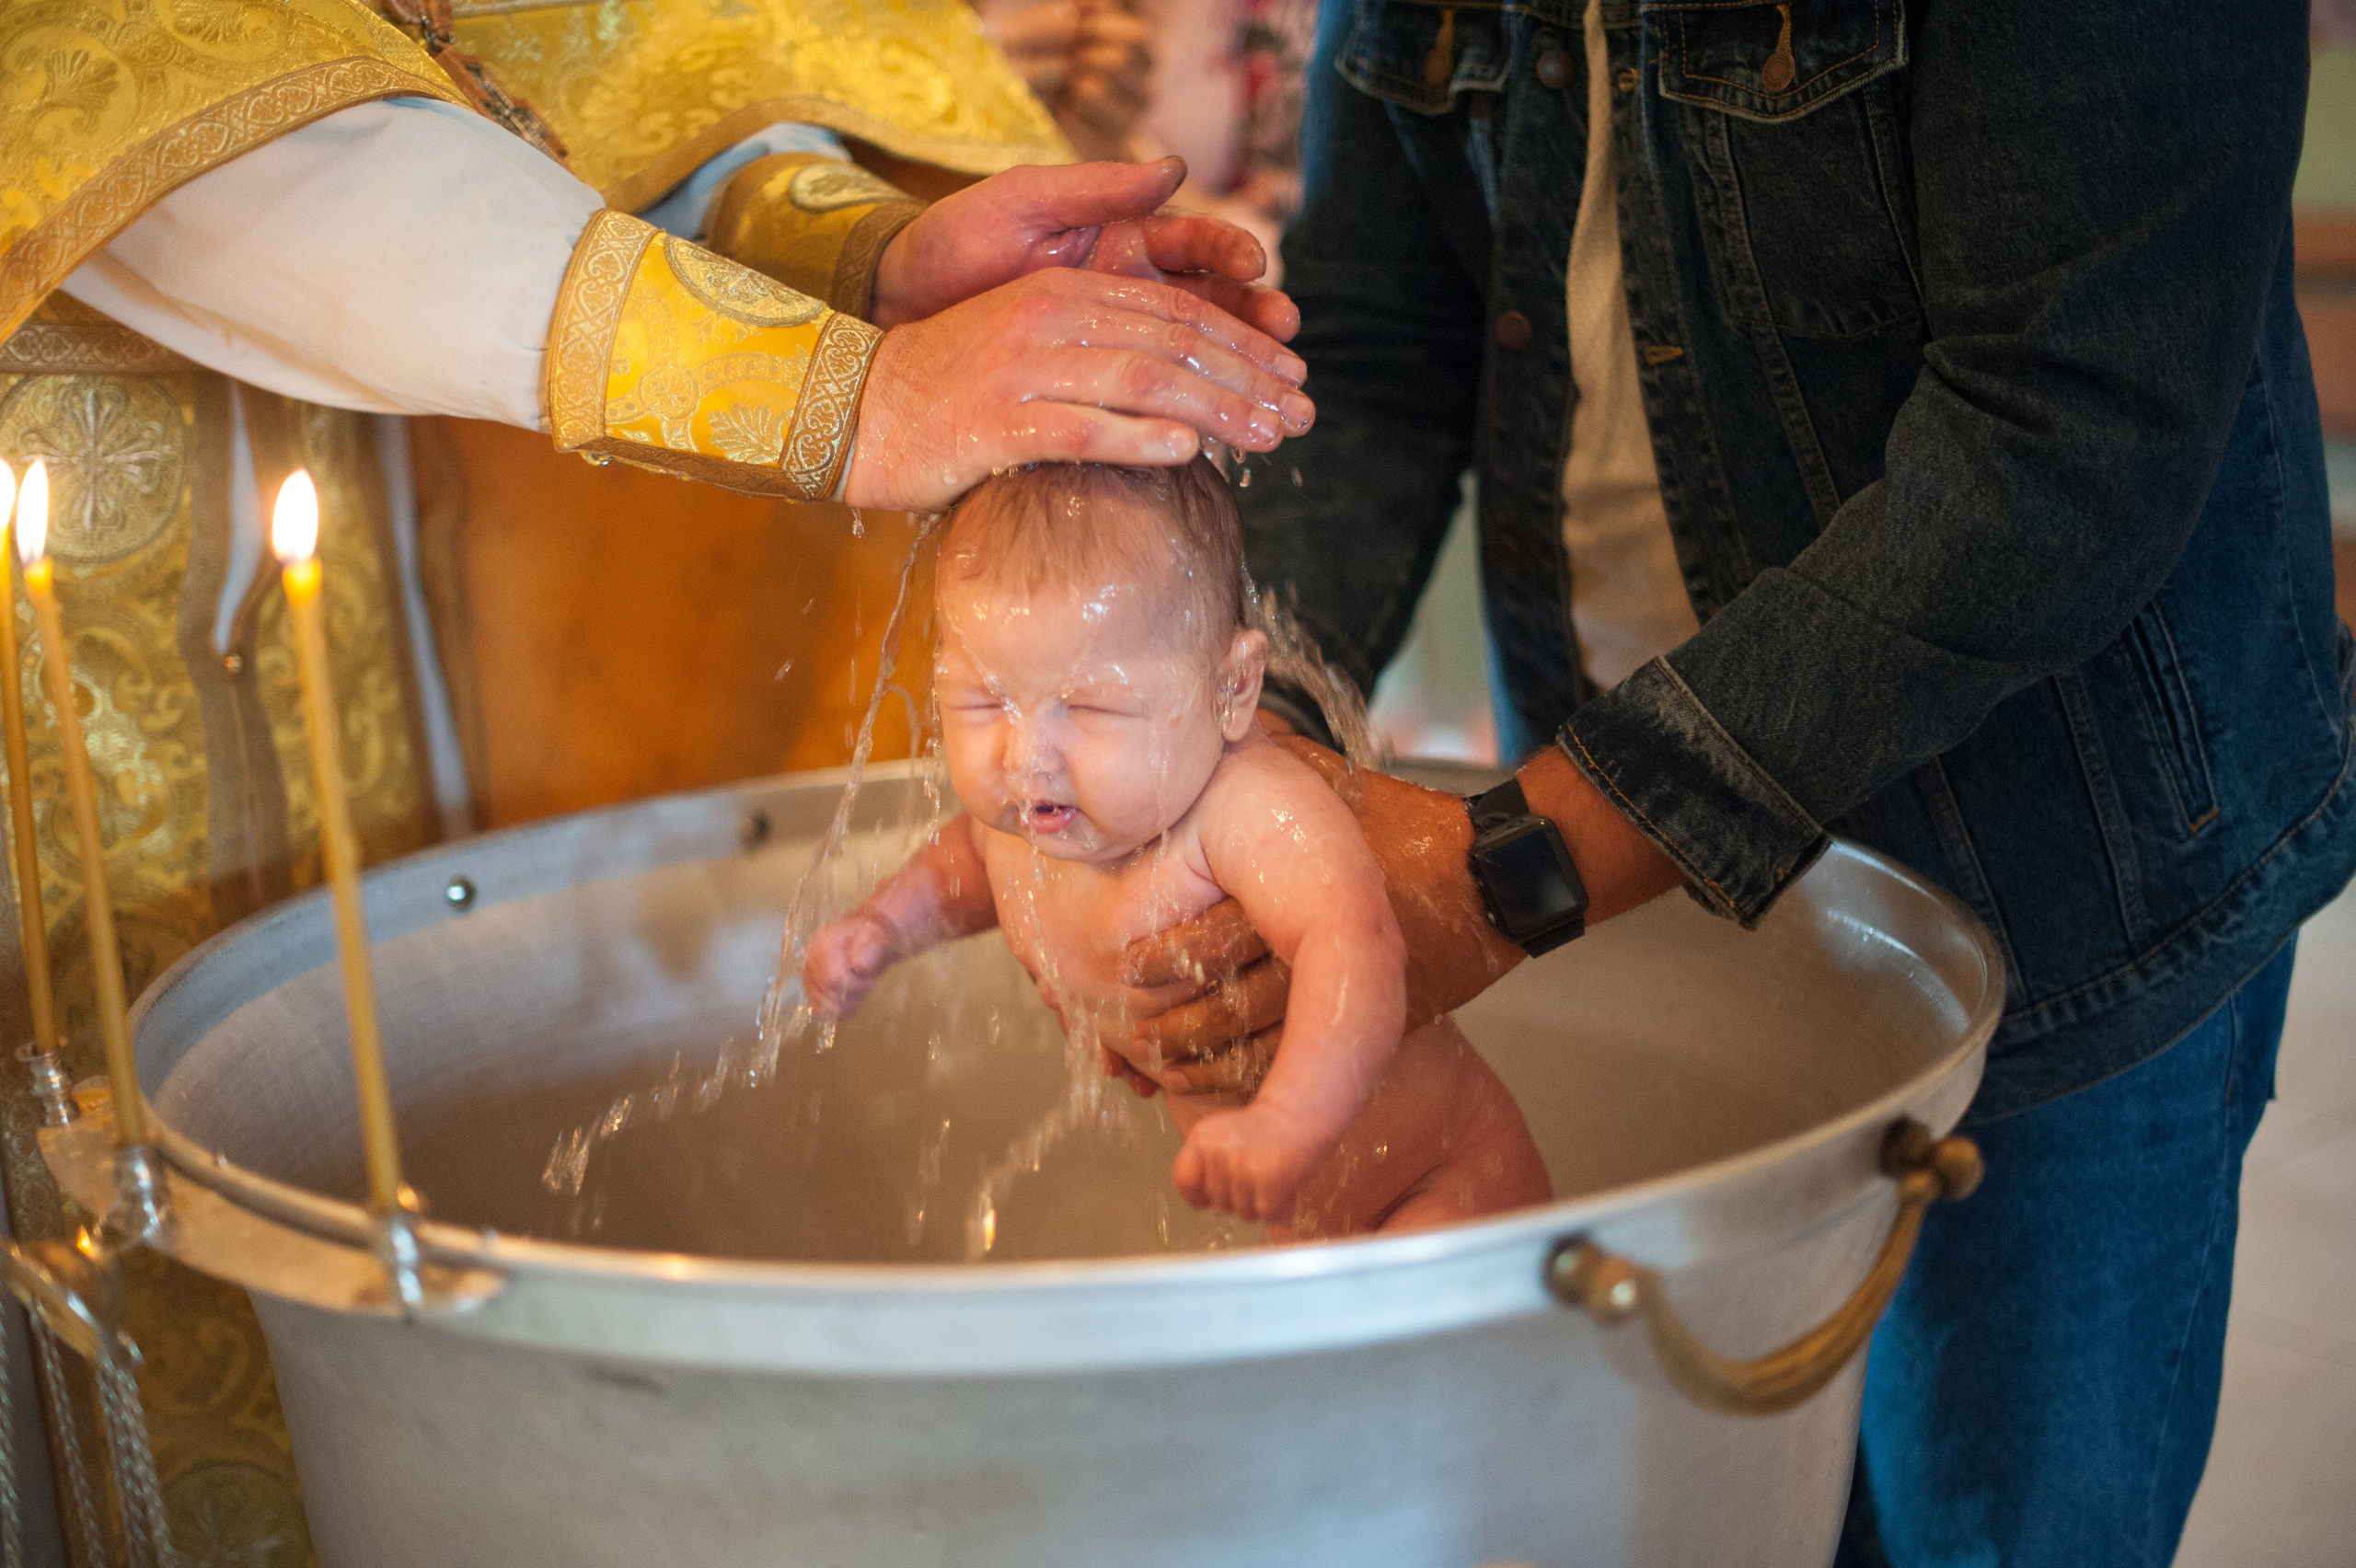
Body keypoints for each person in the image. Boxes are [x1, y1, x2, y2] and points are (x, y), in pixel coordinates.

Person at [1117, 3, 2356, 1565]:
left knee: (1996, 1518)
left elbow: (2065, 439)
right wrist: (1259, 730)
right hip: (1611, 815)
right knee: (1696, 1493)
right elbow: (1375, 337)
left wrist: (1509, 872)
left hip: (2059, 852)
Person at [801, 458, 1549, 1236]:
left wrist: (1288, 1119)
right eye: (984, 701)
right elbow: (964, 867)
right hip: (1296, 1213)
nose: (1024, 757)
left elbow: (1353, 940)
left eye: (1088, 706)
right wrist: (884, 928)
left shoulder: (1242, 806)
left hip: (1438, 1187)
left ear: (1231, 690)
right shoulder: (1025, 817)